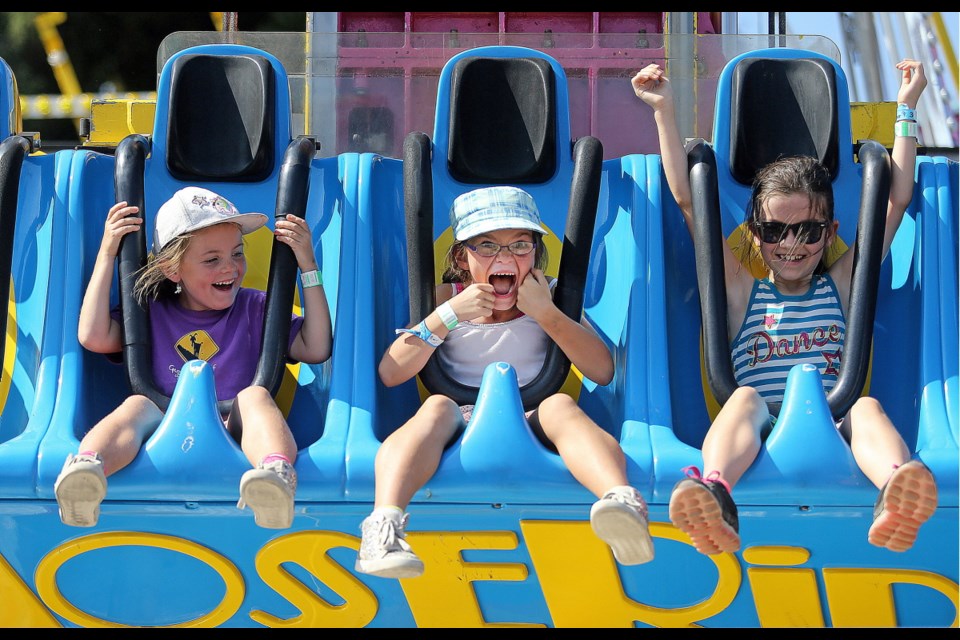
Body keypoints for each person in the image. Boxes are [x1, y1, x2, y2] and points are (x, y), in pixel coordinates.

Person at [630, 59, 938, 555]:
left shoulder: (840, 284)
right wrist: (664, 110)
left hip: (832, 423)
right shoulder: (741, 288)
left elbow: (893, 203)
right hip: (759, 423)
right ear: (756, 235)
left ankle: (896, 493)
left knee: (866, 407)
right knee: (744, 400)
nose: (791, 245)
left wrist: (907, 107)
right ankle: (714, 491)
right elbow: (689, 202)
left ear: (830, 233)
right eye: (775, 231)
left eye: (808, 231)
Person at [354, 185, 654, 578]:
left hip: (531, 415)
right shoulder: (445, 297)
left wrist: (546, 314)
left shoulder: (551, 297)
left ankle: (622, 502)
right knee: (436, 406)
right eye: (488, 246)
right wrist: (448, 316)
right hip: (458, 416)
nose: (506, 257)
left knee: (560, 406)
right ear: (462, 257)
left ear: (535, 253)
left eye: (520, 246)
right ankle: (384, 525)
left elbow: (602, 369)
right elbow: (391, 372)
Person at [55, 186, 332, 529]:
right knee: (137, 406)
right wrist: (108, 251)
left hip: (234, 427)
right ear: (173, 269)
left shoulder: (254, 307)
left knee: (254, 396)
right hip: (163, 426)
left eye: (237, 254)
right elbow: (93, 336)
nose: (230, 268)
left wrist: (307, 264)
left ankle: (275, 475)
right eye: (212, 260)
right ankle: (86, 471)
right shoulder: (150, 312)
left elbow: (316, 346)